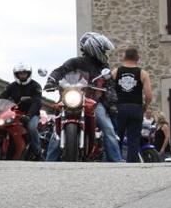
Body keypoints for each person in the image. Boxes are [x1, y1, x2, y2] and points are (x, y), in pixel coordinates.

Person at [44, 32, 123, 162]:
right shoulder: (75, 62)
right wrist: (51, 81)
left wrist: (112, 101)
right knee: (56, 127)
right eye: (103, 50)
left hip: (94, 102)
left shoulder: (103, 67)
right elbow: (60, 71)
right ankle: (49, 162)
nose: (104, 53)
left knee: (108, 129)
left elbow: (109, 84)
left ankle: (116, 161)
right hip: (72, 99)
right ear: (93, 47)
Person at [111, 47, 153, 162]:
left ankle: (116, 161)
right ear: (137, 58)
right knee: (134, 139)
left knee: (117, 137)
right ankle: (132, 164)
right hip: (136, 107)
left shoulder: (115, 72)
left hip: (120, 108)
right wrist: (146, 106)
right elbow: (148, 95)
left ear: (124, 57)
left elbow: (108, 89)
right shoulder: (143, 73)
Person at [0, 62, 43, 159]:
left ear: (28, 74)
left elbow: (36, 102)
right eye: (20, 74)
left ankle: (38, 152)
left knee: (32, 128)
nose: (22, 75)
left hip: (32, 114)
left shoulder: (35, 86)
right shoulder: (12, 86)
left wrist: (29, 116)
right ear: (16, 75)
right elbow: (2, 97)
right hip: (16, 113)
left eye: (24, 73)